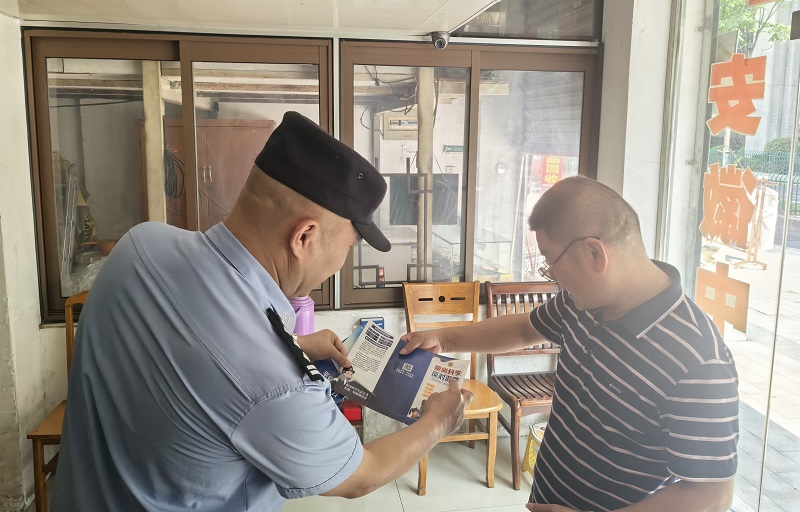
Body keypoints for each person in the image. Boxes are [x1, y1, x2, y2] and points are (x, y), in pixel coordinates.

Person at [52, 111, 473, 512]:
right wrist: (438, 422)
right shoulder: (277, 385)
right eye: (348, 247)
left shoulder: (141, 244)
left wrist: (293, 344)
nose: (340, 266)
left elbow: (190, 353)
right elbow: (361, 477)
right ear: (304, 237)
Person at [401, 176, 739, 512]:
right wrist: (443, 338)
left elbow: (711, 495)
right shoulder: (582, 303)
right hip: (547, 494)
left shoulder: (699, 361)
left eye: (551, 262)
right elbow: (524, 329)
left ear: (594, 253)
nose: (552, 277)